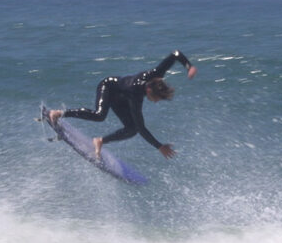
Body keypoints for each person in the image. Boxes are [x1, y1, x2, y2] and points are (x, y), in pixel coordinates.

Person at [49, 50, 197, 160]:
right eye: (157, 98)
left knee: (132, 129)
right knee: (100, 115)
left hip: (121, 98)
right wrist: (159, 146)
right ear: (150, 90)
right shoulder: (135, 94)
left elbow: (175, 54)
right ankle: (59, 113)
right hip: (108, 87)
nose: (156, 101)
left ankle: (100, 141)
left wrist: (188, 66)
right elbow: (142, 127)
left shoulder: (157, 75)